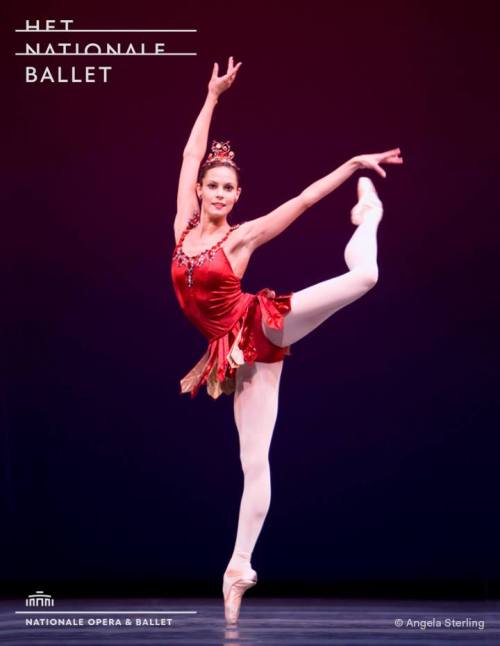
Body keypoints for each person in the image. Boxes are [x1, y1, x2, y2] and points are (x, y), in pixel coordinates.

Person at [170, 56, 403, 624]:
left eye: (229, 188)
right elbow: (188, 153)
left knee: (366, 277)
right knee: (255, 461)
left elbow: (299, 202)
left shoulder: (241, 238)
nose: (220, 194)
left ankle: (367, 217)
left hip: (261, 325)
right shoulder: (181, 224)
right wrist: (212, 96)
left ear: (237, 195)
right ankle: (238, 569)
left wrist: (352, 167)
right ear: (200, 190)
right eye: (213, 186)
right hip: (230, 357)